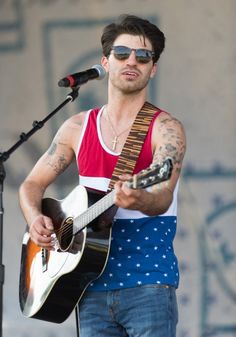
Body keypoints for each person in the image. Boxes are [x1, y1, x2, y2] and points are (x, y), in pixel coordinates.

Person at [19, 14, 186, 337]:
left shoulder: (165, 129)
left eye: (143, 56)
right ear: (105, 62)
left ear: (153, 68)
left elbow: (162, 196)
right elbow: (31, 184)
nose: (131, 61)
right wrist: (35, 216)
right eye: (122, 54)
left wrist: (139, 197)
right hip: (87, 286)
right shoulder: (77, 127)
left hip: (148, 284)